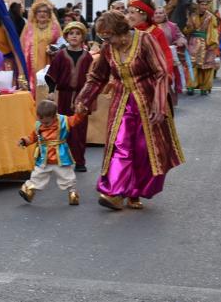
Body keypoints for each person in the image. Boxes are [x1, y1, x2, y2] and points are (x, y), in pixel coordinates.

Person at [74, 11, 184, 211]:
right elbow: (98, 77)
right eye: (103, 38)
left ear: (121, 32)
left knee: (144, 151)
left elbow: (161, 73)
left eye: (109, 37)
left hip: (149, 103)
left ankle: (135, 192)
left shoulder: (145, 40)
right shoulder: (108, 49)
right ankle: (115, 193)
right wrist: (84, 98)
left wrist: (159, 105)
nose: (107, 42)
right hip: (121, 103)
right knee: (120, 146)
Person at [45, 22, 93, 172]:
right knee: (64, 127)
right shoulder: (60, 55)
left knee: (80, 129)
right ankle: (64, 159)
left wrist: (90, 97)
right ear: (66, 36)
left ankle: (80, 161)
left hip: (82, 96)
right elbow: (52, 74)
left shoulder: (87, 57)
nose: (74, 36)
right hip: (65, 96)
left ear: (82, 37)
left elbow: (93, 78)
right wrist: (52, 90)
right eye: (71, 33)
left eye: (77, 34)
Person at [17, 99, 84, 205]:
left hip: (61, 157)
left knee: (67, 176)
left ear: (54, 116)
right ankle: (28, 191)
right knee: (38, 174)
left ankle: (72, 193)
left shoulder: (64, 121)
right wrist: (24, 141)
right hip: (44, 157)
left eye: (47, 122)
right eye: (41, 121)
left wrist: (79, 112)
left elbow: (75, 120)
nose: (44, 124)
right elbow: (33, 137)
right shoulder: (39, 125)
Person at [20, 0, 62, 95]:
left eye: (45, 11)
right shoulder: (29, 27)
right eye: (39, 11)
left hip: (49, 63)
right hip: (31, 65)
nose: (42, 14)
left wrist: (54, 50)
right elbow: (22, 46)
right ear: (35, 13)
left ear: (49, 13)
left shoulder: (55, 27)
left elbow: (61, 45)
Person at [126, 0, 174, 79]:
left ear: (144, 15)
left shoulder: (156, 32)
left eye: (132, 13)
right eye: (128, 12)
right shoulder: (125, 32)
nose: (128, 16)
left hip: (151, 80)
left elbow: (166, 55)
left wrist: (167, 76)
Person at [183, 0, 219, 95]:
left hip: (206, 43)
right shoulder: (192, 16)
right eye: (202, 4)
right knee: (192, 64)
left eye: (206, 5)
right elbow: (187, 29)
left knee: (206, 66)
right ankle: (190, 86)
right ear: (198, 5)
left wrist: (212, 43)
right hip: (193, 43)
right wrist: (188, 29)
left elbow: (213, 31)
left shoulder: (211, 17)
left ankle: (205, 87)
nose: (204, 6)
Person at [153, 7, 188, 96]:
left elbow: (180, 36)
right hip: (153, 57)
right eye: (156, 13)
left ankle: (170, 101)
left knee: (169, 79)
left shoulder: (172, 26)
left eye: (160, 13)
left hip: (168, 56)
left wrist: (180, 41)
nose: (158, 15)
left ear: (165, 15)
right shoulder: (150, 26)